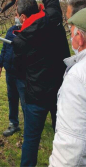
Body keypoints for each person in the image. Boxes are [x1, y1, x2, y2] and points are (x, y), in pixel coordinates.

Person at [10, 0, 70, 167]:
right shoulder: (53, 16)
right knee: (64, 134)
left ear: (22, 17)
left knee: (31, 139)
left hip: (37, 95)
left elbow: (18, 69)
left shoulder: (21, 39)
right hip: (62, 90)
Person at [49, 8, 86, 166]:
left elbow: (71, 142)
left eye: (71, 33)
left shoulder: (77, 77)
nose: (70, 37)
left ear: (80, 37)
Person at [0, 18, 26, 137]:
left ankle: (29, 128)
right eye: (16, 15)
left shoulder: (29, 31)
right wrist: (0, 64)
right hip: (10, 72)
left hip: (22, 74)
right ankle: (13, 124)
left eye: (20, 15)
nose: (18, 18)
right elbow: (4, 48)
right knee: (12, 99)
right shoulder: (10, 31)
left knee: (25, 102)